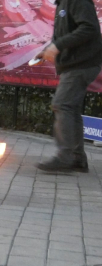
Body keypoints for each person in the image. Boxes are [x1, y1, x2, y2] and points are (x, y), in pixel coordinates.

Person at [35, 0, 102, 173]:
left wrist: (58, 46)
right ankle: (77, 159)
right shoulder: (62, 4)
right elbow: (64, 34)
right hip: (75, 64)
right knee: (71, 109)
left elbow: (89, 28)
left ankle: (65, 158)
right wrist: (49, 49)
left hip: (82, 63)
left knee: (62, 104)